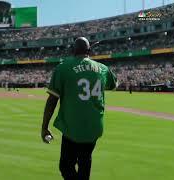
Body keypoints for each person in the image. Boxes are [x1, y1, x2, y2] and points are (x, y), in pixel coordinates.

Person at [41, 37, 118, 180]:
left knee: (65, 166)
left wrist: (44, 127)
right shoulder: (103, 68)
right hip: (94, 128)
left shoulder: (63, 67)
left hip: (72, 128)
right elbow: (114, 85)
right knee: (85, 161)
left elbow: (52, 100)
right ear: (89, 51)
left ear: (73, 50)